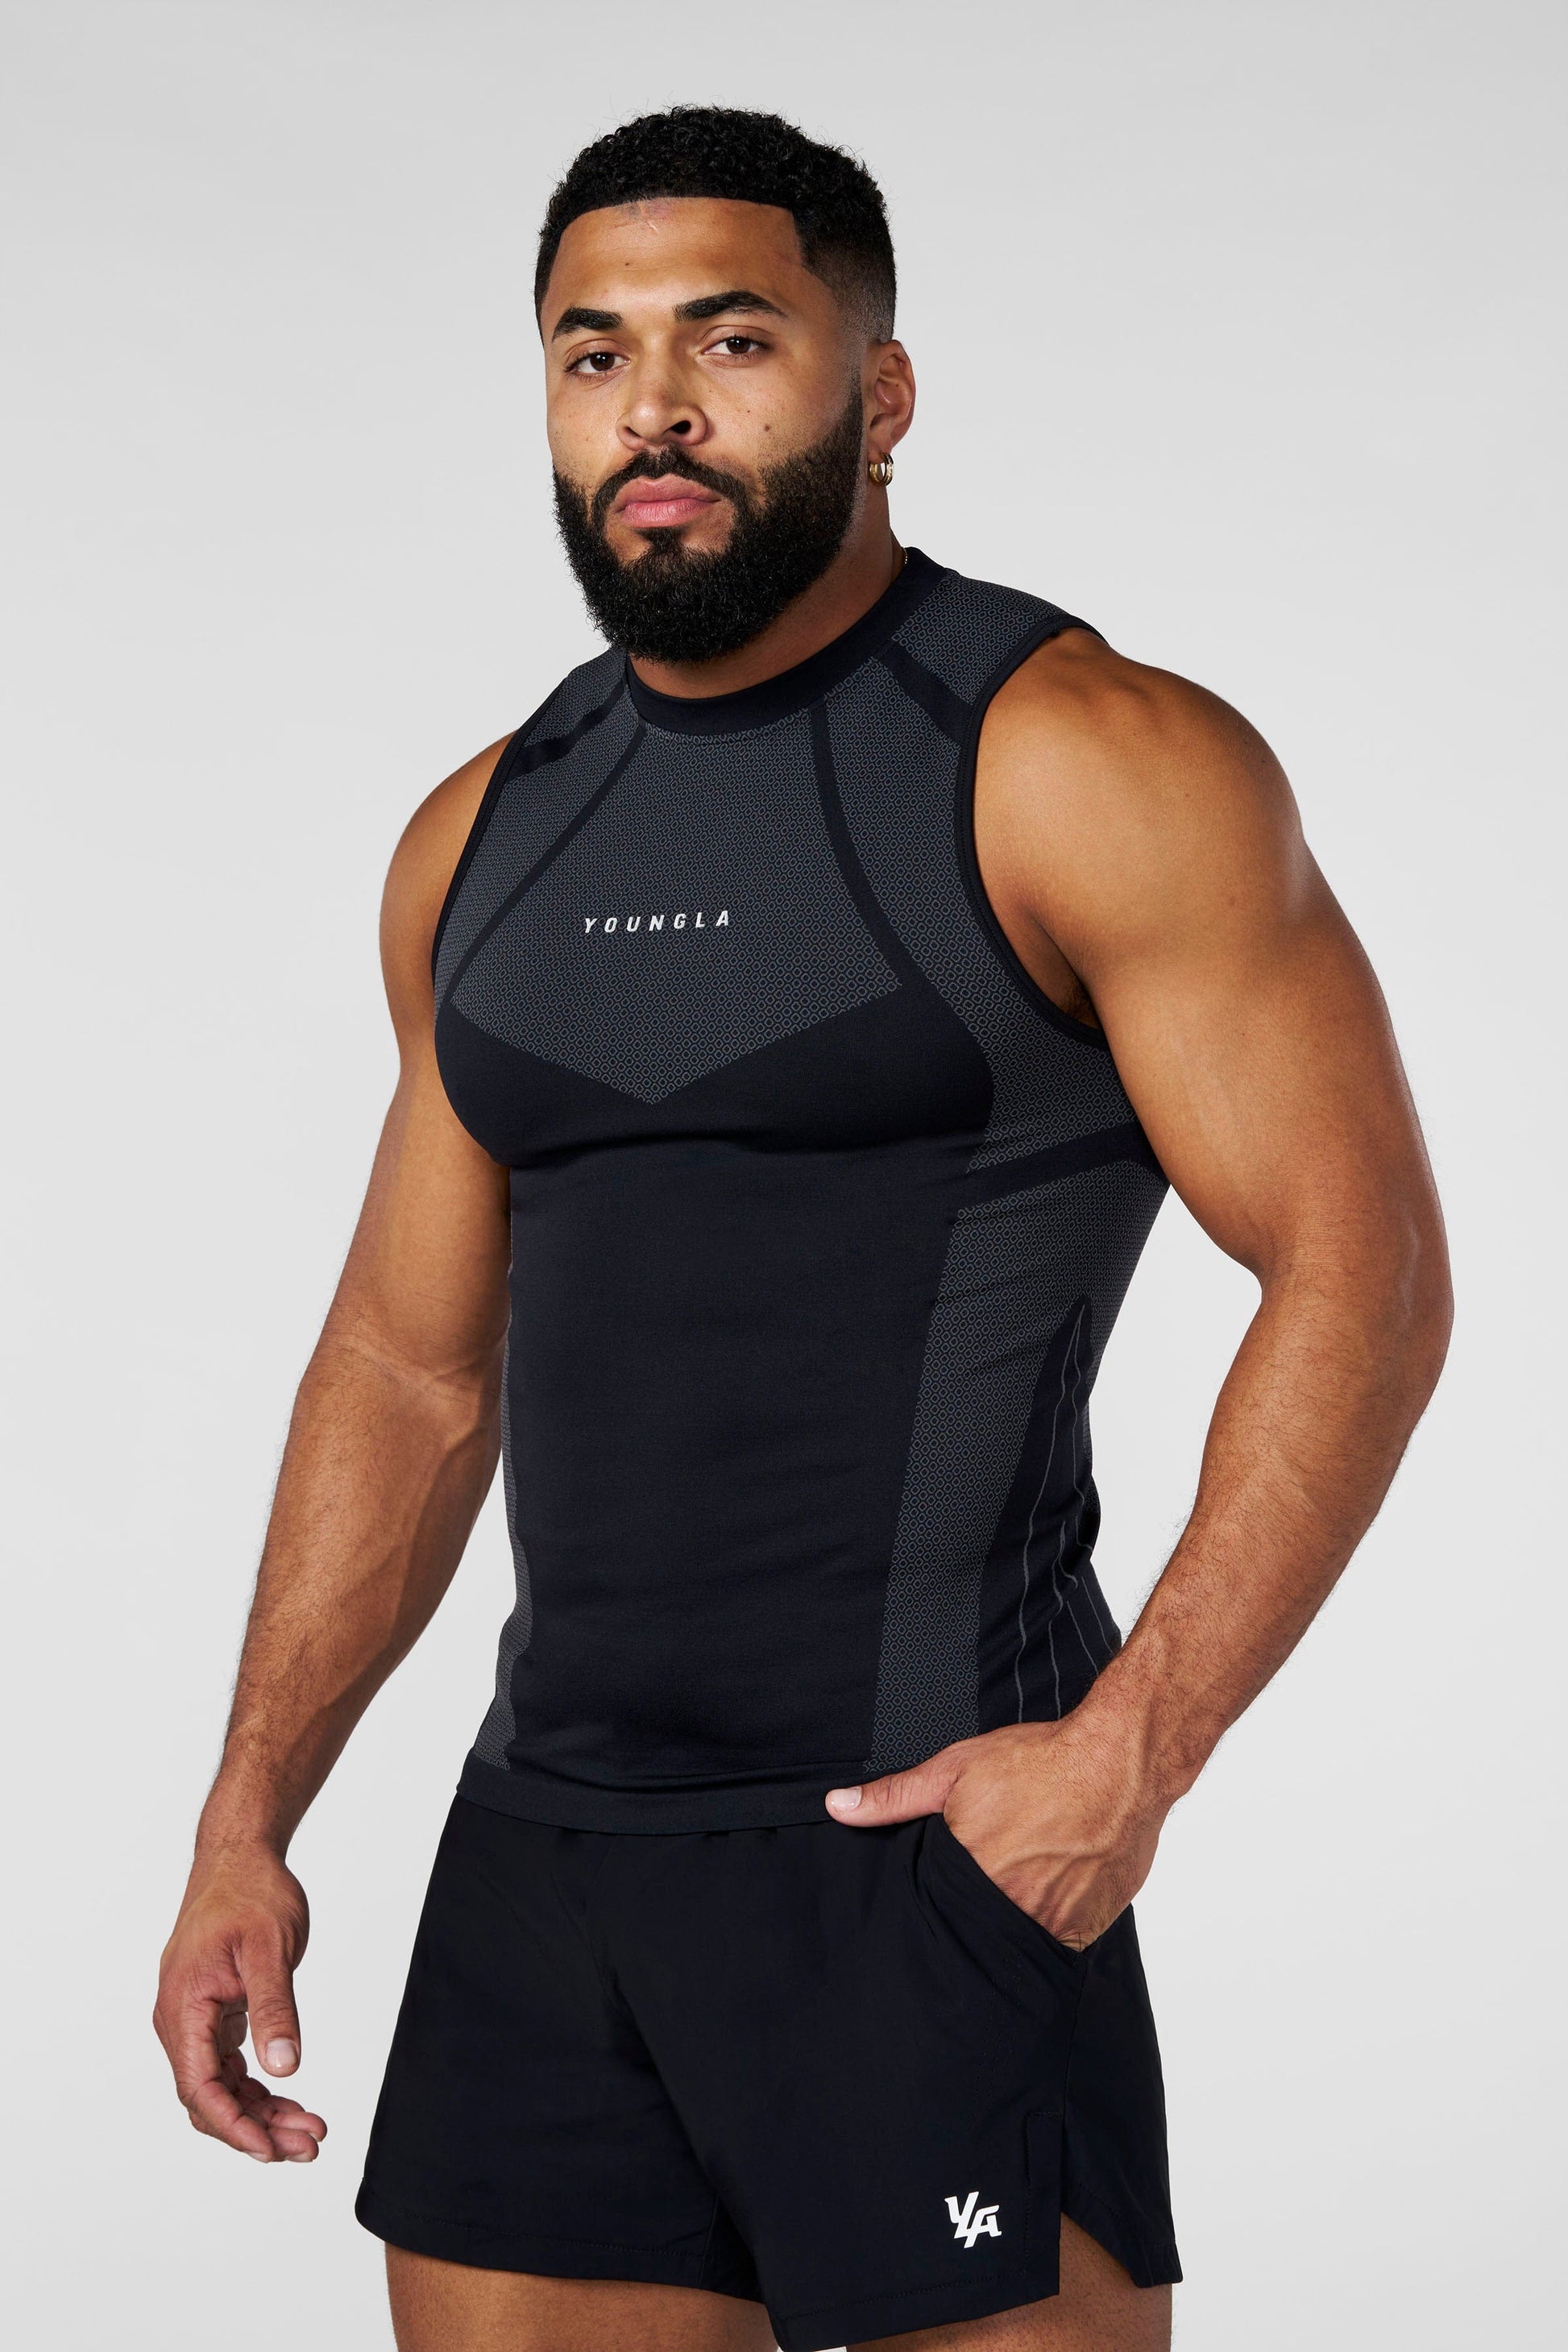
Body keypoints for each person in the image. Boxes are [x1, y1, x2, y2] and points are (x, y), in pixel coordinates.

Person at [154, 106, 1451, 2352]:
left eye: (730, 340)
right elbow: (407, 1365)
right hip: (546, 1869)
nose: (652, 406)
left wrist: (1134, 1748)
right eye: (592, 353)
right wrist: (244, 1815)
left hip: (929, 1854)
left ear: (882, 391)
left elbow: (1364, 1270)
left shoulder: (1082, 762)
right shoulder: (481, 837)